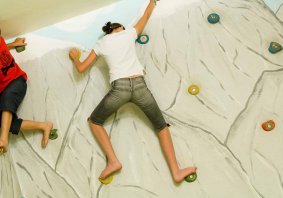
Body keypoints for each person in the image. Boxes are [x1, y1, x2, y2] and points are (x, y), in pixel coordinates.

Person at [69, 0, 197, 183]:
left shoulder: (101, 43)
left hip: (119, 89)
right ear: (120, 28)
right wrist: (152, 2)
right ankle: (176, 171)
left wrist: (75, 57)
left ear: (109, 31)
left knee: (94, 122)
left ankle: (112, 161)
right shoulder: (128, 33)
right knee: (161, 127)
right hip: (139, 86)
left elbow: (81, 68)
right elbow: (144, 17)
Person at [0, 21, 53, 152]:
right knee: (7, 125)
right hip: (0, 91)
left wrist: (14, 44)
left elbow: (2, 46)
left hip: (17, 80)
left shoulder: (1, 41)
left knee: (8, 97)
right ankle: (44, 125)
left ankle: (4, 140)